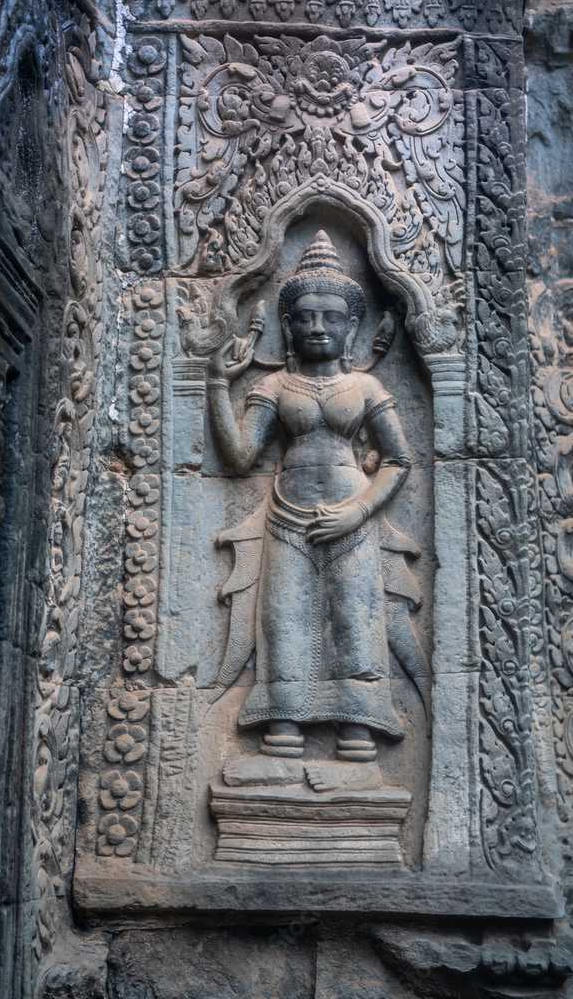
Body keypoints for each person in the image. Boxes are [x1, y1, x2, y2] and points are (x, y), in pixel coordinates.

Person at [207, 231, 429, 792]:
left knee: (355, 625)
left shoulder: (365, 384)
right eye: (305, 317)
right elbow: (237, 458)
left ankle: (358, 757)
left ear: (352, 326)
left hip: (353, 521)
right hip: (286, 517)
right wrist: (217, 383)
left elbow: (398, 460)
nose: (318, 328)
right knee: (283, 624)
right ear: (288, 326)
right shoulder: (276, 385)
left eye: (331, 317)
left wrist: (359, 512)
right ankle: (281, 746)